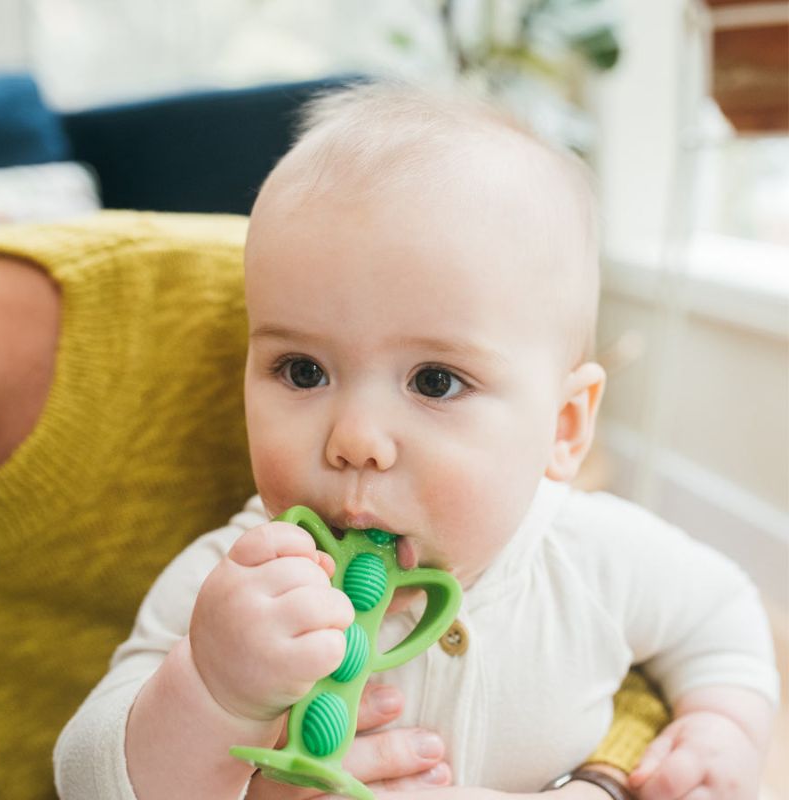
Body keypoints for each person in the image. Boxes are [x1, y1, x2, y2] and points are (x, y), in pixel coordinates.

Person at [52, 83, 778, 798]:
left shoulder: (595, 559)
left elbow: (722, 616)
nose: (356, 440)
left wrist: (724, 726)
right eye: (302, 370)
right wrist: (210, 695)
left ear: (563, 427)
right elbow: (84, 778)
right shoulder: (234, 592)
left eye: (435, 382)